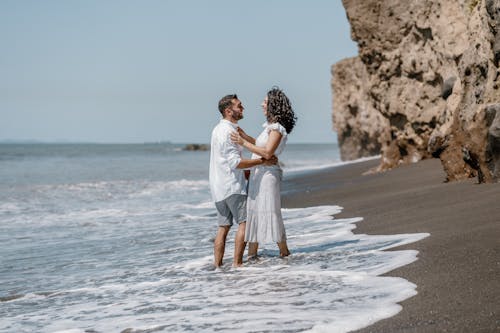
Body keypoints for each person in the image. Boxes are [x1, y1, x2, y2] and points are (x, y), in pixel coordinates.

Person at [209, 94, 277, 268]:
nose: (243, 108)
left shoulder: (217, 129)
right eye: (239, 106)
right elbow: (235, 163)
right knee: (244, 224)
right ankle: (237, 264)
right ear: (228, 111)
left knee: (223, 228)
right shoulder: (228, 131)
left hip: (218, 187)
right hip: (232, 186)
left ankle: (217, 267)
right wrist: (263, 161)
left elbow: (225, 161)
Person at [230, 87, 297, 258]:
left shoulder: (277, 128)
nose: (261, 104)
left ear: (273, 105)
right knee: (255, 213)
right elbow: (260, 146)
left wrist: (243, 143)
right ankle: (252, 255)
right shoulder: (269, 127)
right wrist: (244, 136)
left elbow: (267, 152)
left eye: (265, 102)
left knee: (270, 211)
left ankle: (284, 251)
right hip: (258, 173)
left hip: (268, 175)